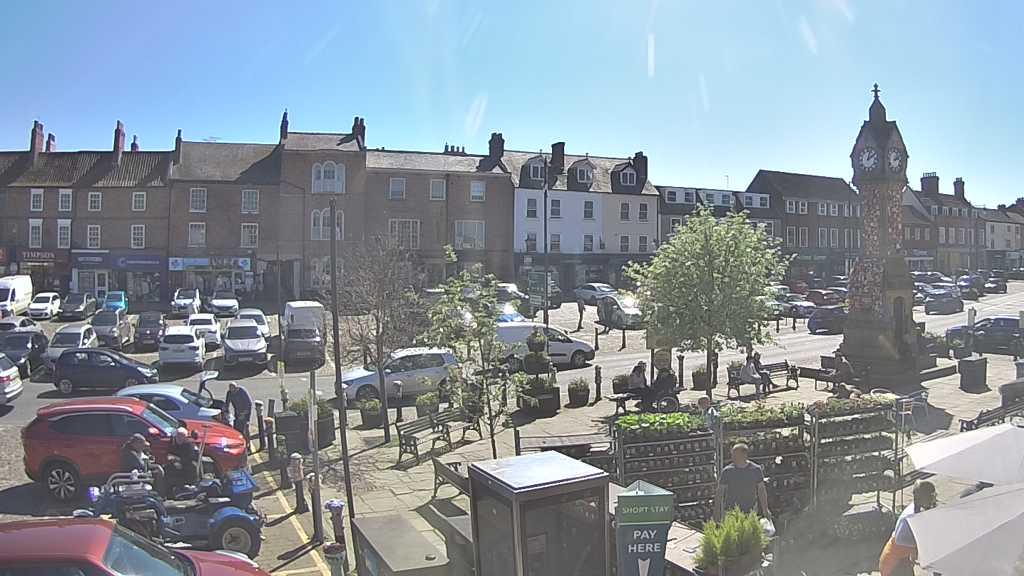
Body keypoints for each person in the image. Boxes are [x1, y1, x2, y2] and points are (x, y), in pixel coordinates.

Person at [879, 480, 937, 576]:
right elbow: (900, 539)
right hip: (894, 564)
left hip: (902, 561)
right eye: (931, 496)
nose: (933, 498)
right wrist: (918, 546)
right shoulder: (910, 516)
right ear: (922, 498)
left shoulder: (918, 509)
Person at [714, 443, 771, 522]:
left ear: (744, 455)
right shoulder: (727, 471)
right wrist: (716, 511)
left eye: (735, 454)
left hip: (750, 510)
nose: (732, 457)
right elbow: (720, 492)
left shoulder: (756, 469)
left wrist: (765, 509)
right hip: (731, 511)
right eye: (732, 454)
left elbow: (761, 490)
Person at [225, 382, 253, 449]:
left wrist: (243, 414)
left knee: (245, 427)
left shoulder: (242, 392)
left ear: (236, 388)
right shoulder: (229, 393)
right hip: (237, 411)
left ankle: (248, 445)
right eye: (231, 390)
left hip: (245, 411)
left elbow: (249, 404)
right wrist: (226, 412)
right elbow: (227, 404)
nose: (232, 392)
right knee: (237, 428)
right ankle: (239, 443)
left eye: (233, 390)